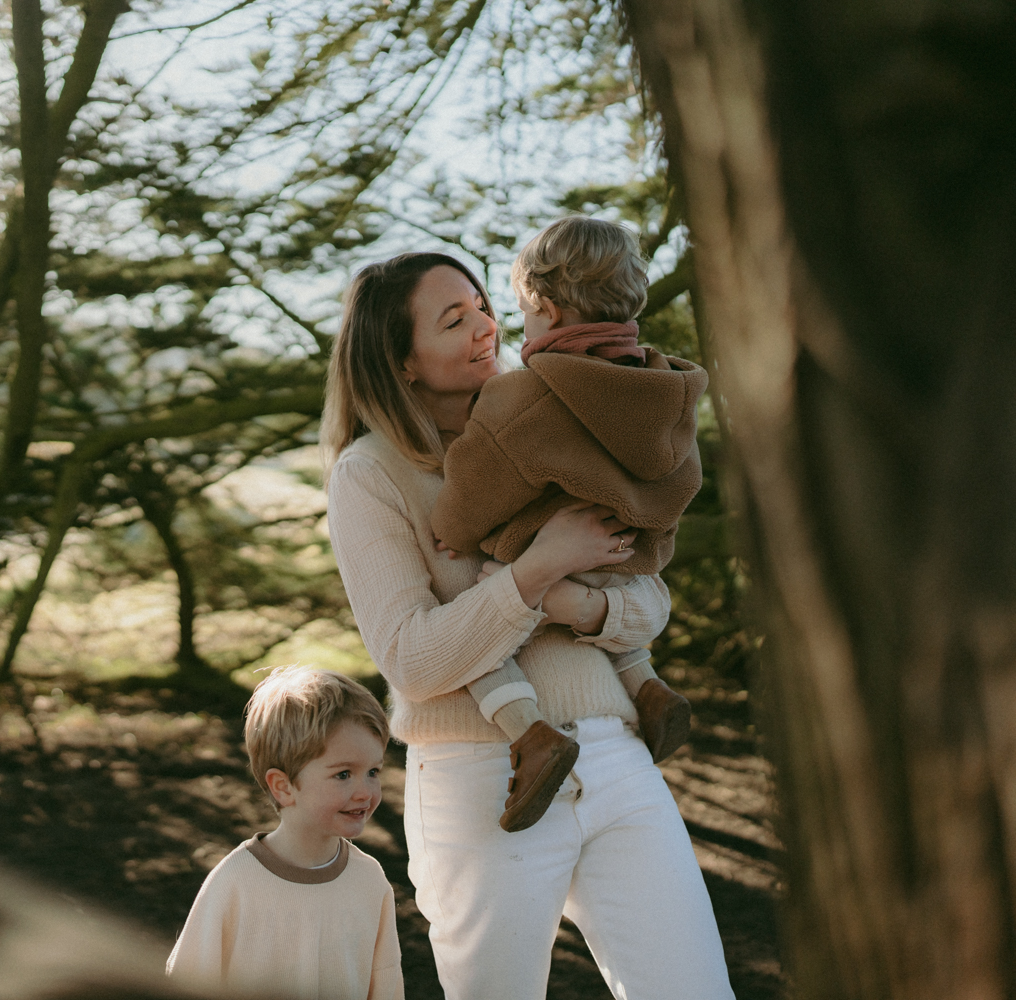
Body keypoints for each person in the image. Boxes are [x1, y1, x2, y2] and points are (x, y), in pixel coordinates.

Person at [323, 251, 734, 999]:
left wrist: (584, 605)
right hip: (483, 781)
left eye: (482, 305)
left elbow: (649, 599)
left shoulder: (554, 419)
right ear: (401, 362)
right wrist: (538, 569)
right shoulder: (370, 473)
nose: (485, 326)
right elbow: (413, 659)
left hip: (617, 756)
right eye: (454, 320)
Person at [430, 216, 707, 833]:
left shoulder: (526, 398)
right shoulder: (666, 389)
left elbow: (473, 487)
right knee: (604, 598)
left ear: (548, 311)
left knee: (480, 626)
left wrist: (453, 526)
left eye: (521, 314)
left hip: (538, 560)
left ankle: (531, 734)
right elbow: (683, 479)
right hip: (626, 557)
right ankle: (650, 689)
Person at [166, 667, 404, 1000]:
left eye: (374, 771)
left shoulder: (369, 880)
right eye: (344, 774)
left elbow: (386, 985)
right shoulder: (236, 882)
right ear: (284, 786)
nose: (365, 791)